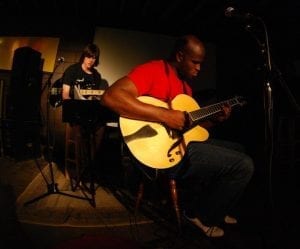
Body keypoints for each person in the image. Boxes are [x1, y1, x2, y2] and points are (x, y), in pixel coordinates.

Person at [100, 35, 254, 237]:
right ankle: (199, 215)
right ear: (180, 56)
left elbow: (189, 129)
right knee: (243, 164)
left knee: (239, 150)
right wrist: (165, 115)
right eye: (195, 62)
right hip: (158, 154)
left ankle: (217, 204)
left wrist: (215, 120)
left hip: (180, 145)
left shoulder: (185, 88)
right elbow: (110, 97)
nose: (199, 69)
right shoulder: (154, 70)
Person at [61, 43, 108, 177]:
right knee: (81, 132)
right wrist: (74, 108)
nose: (91, 60)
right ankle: (80, 168)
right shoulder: (72, 70)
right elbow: (65, 95)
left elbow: (94, 97)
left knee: (101, 128)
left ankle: (87, 164)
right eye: (88, 56)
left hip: (89, 112)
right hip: (75, 112)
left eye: (94, 57)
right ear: (84, 56)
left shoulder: (96, 75)